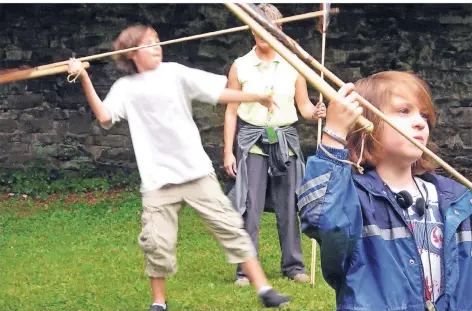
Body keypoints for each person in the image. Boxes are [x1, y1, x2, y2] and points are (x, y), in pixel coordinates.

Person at [67, 25, 291, 311]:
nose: (157, 47)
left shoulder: (175, 73)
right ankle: (159, 304)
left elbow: (221, 93)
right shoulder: (125, 88)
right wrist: (84, 76)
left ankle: (265, 290)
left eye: (158, 41)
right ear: (132, 53)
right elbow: (103, 115)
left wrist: (256, 97)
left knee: (232, 228)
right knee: (156, 243)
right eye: (149, 44)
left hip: (196, 173)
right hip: (157, 182)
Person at [297, 71, 472, 311]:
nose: (421, 122)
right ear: (364, 126)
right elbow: (322, 219)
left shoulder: (458, 200)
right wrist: (334, 134)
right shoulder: (354, 198)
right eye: (404, 111)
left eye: (423, 114)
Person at [224, 3, 326, 286]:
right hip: (252, 141)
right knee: (250, 207)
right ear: (250, 29)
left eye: (269, 26)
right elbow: (231, 111)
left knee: (288, 205)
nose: (263, 33)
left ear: (279, 29)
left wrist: (315, 112)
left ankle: (293, 267)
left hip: (285, 141)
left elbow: (304, 107)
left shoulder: (294, 64)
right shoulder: (240, 66)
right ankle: (246, 270)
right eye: (257, 26)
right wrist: (227, 152)